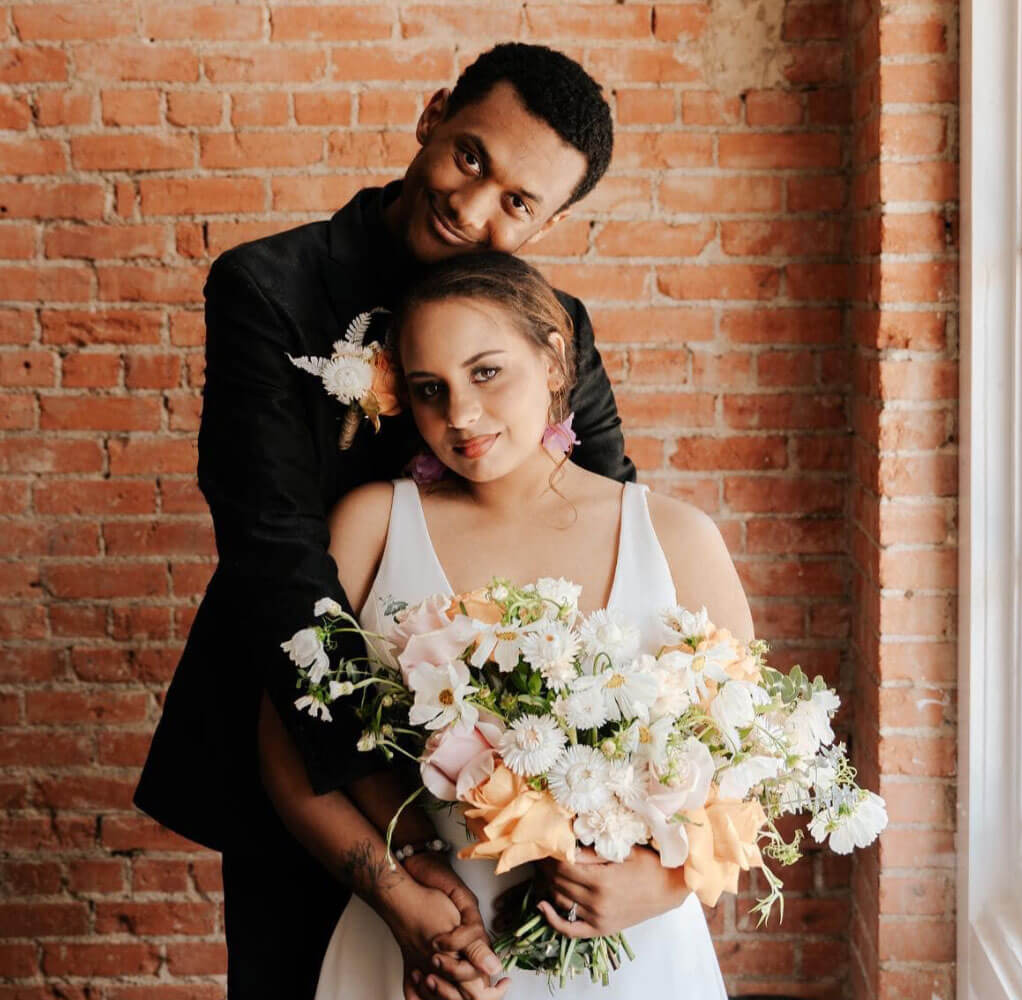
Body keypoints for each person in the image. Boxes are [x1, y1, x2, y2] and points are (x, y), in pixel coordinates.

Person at [132, 44, 636, 999]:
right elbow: (274, 554)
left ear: (552, 222)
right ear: (434, 115)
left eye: (519, 203)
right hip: (306, 746)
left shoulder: (556, 323)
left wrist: (568, 786)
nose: (475, 206)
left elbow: (604, 525)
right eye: (473, 157)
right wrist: (387, 831)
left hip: (514, 772)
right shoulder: (268, 287)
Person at [259, 251, 751, 999]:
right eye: (430, 389)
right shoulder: (372, 527)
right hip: (424, 950)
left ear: (555, 361)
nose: (459, 416)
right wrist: (400, 900)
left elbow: (757, 767)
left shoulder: (678, 539)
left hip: (633, 958)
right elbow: (289, 755)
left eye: (486, 372)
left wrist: (667, 885)